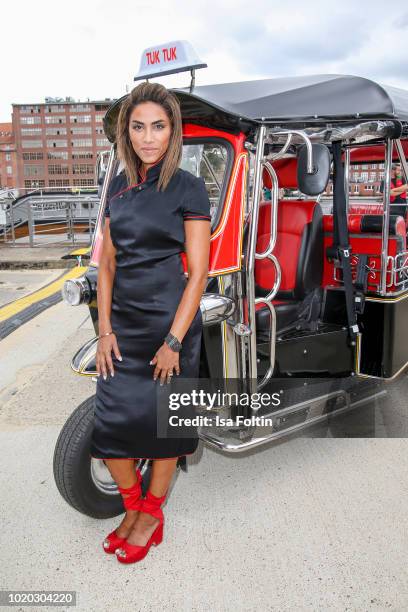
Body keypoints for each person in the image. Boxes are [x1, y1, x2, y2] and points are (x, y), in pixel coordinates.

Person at [90, 82, 211, 564]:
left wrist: (174, 341)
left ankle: (151, 513)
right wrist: (104, 329)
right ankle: (135, 505)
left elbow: (199, 273)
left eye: (158, 126)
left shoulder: (189, 187)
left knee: (166, 430)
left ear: (172, 131)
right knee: (113, 427)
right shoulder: (116, 186)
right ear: (127, 131)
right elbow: (107, 265)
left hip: (171, 324)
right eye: (138, 126)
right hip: (121, 326)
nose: (148, 137)